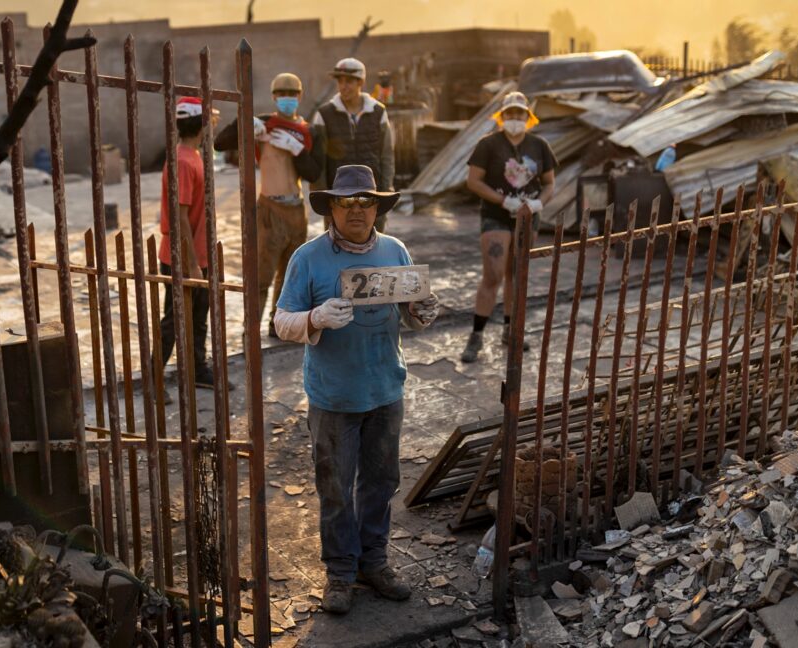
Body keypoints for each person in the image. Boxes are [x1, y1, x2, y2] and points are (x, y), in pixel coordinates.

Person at [273, 164, 439, 614]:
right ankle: (340, 573)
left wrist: (424, 309)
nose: (357, 210)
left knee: (381, 483)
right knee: (335, 488)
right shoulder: (308, 258)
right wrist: (314, 318)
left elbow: (412, 312)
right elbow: (279, 321)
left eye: (366, 201)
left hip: (385, 388)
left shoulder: (395, 250)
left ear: (377, 208)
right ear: (331, 208)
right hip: (333, 397)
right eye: (346, 202)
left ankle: (375, 562)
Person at [215, 72, 321, 338]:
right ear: (274, 97)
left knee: (289, 275)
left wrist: (298, 150)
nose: (287, 99)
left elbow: (313, 173)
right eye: (282, 94)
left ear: (300, 96)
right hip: (269, 209)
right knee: (261, 275)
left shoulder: (307, 131)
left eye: (292, 94)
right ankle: (250, 328)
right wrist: (244, 122)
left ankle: (278, 324)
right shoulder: (265, 124)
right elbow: (220, 144)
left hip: (296, 210)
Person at [461, 91, 556, 363]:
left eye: (520, 113)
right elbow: (474, 181)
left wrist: (539, 204)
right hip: (496, 215)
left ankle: (510, 330)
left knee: (517, 274)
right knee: (493, 274)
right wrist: (504, 201)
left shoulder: (540, 146)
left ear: (528, 117)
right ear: (502, 116)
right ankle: (476, 335)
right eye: (510, 113)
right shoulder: (488, 145)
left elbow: (549, 182)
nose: (515, 118)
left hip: (529, 217)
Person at [158, 97, 221, 388]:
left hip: (198, 255)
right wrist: (193, 263)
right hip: (184, 257)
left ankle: (198, 370)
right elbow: (179, 215)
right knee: (174, 320)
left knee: (198, 317)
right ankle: (153, 377)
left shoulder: (193, 154)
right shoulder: (183, 161)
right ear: (201, 125)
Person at [312, 58, 395, 231]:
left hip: (372, 198)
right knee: (337, 251)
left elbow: (386, 155)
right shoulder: (324, 114)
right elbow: (319, 163)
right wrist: (325, 201)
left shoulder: (378, 112)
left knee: (374, 250)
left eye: (349, 81)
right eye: (340, 81)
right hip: (339, 200)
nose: (343, 86)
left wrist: (386, 190)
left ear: (361, 82)